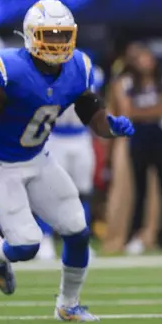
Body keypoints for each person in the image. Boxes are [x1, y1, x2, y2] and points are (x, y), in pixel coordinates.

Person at [0, 0, 134, 320]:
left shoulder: (79, 67)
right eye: (48, 35)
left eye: (61, 35)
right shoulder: (10, 68)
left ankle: (67, 304)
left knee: (77, 228)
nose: (55, 42)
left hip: (38, 157)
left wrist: (109, 127)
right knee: (26, 245)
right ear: (30, 35)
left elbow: (90, 112)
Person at [35, 63, 105, 261]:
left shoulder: (91, 71)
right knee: (49, 191)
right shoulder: (45, 73)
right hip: (55, 136)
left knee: (82, 192)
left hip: (81, 137)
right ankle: (45, 238)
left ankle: (80, 243)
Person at [113, 44, 162, 255]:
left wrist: (145, 112)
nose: (145, 63)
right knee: (138, 190)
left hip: (159, 139)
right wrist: (153, 112)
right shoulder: (130, 82)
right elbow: (128, 111)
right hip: (139, 139)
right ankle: (135, 236)